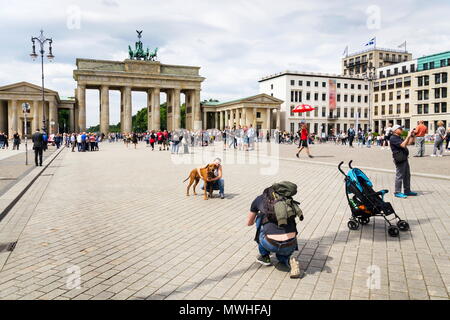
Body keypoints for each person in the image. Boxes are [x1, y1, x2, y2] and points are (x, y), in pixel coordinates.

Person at [247, 181, 303, 278]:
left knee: (260, 219)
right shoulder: (288, 202)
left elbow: (249, 223)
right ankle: (287, 261)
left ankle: (265, 257)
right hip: (290, 245)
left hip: (270, 243)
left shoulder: (259, 199)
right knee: (282, 256)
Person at [389, 125, 417, 199]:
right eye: (400, 129)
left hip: (404, 158)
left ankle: (407, 190)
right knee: (400, 175)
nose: (402, 130)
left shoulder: (398, 137)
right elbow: (403, 145)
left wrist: (412, 136)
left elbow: (410, 143)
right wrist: (408, 136)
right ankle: (397, 192)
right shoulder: (393, 138)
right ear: (395, 130)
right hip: (399, 158)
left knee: (407, 175)